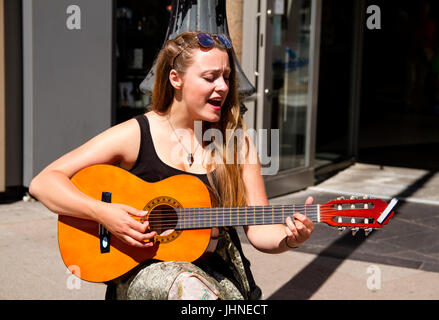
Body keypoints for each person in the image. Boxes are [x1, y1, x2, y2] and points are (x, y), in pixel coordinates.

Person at [29, 31, 315, 300]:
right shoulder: (136, 134)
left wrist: (290, 238)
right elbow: (44, 183)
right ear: (176, 79)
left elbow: (260, 230)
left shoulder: (236, 143)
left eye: (226, 77)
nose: (223, 87)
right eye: (210, 77)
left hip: (218, 272)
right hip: (143, 271)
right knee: (187, 287)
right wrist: (104, 213)